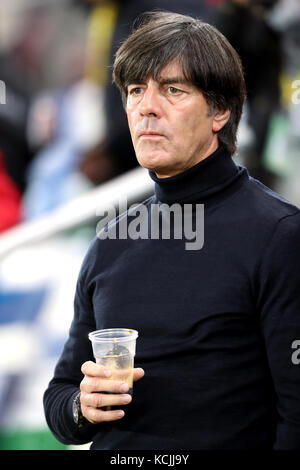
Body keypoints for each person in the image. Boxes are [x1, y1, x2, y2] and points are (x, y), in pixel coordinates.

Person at [43, 11, 300, 450]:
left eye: (173, 90)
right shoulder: (111, 240)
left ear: (220, 110)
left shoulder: (278, 236)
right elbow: (60, 395)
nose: (146, 107)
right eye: (136, 91)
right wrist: (80, 407)